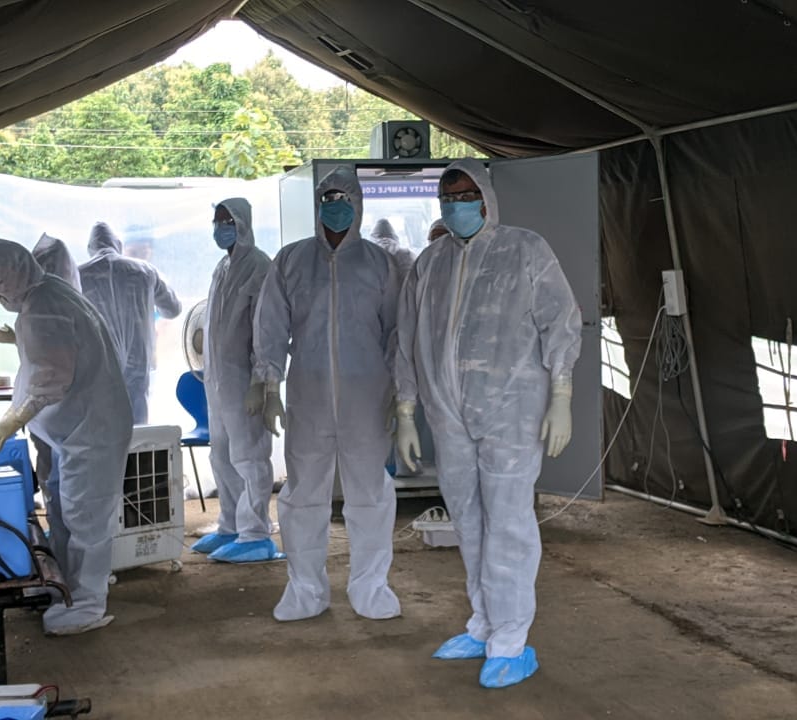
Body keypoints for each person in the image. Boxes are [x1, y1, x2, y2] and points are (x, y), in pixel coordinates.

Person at [395, 159, 582, 688]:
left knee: (508, 522)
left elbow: (560, 321)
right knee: (468, 520)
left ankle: (511, 640)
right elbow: (407, 340)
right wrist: (406, 411)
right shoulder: (429, 263)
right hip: (448, 414)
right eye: (447, 195)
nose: (456, 203)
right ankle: (482, 623)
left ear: (485, 197)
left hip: (511, 410)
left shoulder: (525, 249)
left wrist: (561, 394)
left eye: (465, 192)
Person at [253, 165, 402, 622]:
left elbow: (397, 331)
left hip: (367, 396)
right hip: (310, 395)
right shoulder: (292, 260)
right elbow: (271, 325)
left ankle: (371, 589)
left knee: (370, 494)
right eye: (328, 198)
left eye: (344, 198)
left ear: (358, 204)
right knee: (303, 495)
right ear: (318, 205)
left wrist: (401, 391)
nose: (336, 207)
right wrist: (268, 382)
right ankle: (305, 591)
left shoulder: (380, 264)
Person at [0, 238, 133, 637]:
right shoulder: (47, 294)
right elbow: (58, 349)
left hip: (89, 430)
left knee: (86, 516)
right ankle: (68, 585)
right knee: (63, 510)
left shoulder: (42, 309)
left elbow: (50, 379)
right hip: (74, 430)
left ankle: (89, 602)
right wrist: (18, 338)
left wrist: (12, 419)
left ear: (5, 281)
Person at [190, 198, 279, 563]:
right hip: (217, 378)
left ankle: (256, 532)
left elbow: (266, 328)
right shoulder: (223, 267)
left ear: (244, 223)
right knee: (221, 454)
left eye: (227, 221)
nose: (220, 227)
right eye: (216, 221)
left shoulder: (258, 266)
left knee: (249, 455)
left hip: (244, 378)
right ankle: (229, 524)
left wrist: (262, 381)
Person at [0, 233, 82, 496]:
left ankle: (63, 531)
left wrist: (17, 415)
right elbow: (43, 356)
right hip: (48, 412)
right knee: (53, 476)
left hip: (64, 411)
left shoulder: (49, 306)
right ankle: (58, 530)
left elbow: (54, 373)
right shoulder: (45, 303)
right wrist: (17, 338)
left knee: (69, 485)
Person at [78, 222, 182, 424]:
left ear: (91, 247)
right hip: (138, 363)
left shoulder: (78, 275)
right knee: (138, 432)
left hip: (98, 365)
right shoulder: (145, 271)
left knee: (100, 429)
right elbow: (173, 309)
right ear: (117, 244)